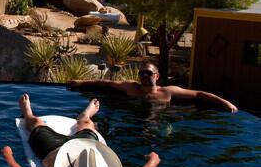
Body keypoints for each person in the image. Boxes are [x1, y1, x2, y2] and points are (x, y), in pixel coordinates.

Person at [1, 94, 160, 167]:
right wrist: (154, 160)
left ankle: (28, 113)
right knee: (86, 124)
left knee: (35, 123)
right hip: (86, 146)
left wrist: (8, 157)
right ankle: (86, 114)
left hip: (52, 148)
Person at [68, 61, 238, 113]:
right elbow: (104, 83)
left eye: (148, 73)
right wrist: (81, 82)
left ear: (156, 76)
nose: (143, 76)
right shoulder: (131, 87)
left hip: (160, 117)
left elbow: (199, 94)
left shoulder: (168, 91)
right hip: (134, 118)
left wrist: (225, 103)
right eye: (141, 73)